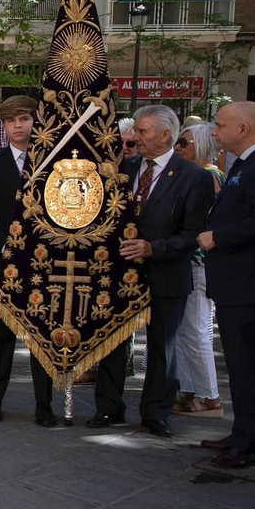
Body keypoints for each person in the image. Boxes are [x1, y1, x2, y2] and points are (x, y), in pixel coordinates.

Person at [89, 105, 215, 438]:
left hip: (166, 273)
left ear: (164, 135)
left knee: (162, 346)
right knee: (112, 342)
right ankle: (108, 407)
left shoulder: (195, 177)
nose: (136, 137)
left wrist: (153, 247)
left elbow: (193, 235)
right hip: (120, 275)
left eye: (143, 132)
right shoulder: (124, 169)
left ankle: (156, 412)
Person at [197, 101, 255, 468]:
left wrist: (218, 236)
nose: (215, 132)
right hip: (238, 281)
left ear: (243, 129)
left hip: (252, 283)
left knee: (247, 366)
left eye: (220, 125)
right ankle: (242, 435)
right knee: (238, 365)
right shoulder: (251, 163)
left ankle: (250, 445)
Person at [0, 96, 55, 426]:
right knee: (2, 333)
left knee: (41, 335)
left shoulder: (54, 161)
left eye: (24, 118)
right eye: (12, 121)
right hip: (4, 260)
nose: (19, 125)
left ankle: (44, 403)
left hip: (43, 263)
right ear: (4, 126)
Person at [171, 123, 224, 416]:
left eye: (184, 143)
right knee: (185, 329)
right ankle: (191, 390)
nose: (178, 148)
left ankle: (208, 395)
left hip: (198, 261)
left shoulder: (207, 175)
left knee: (195, 328)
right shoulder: (201, 174)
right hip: (191, 260)